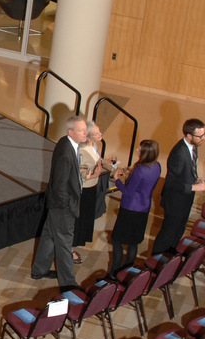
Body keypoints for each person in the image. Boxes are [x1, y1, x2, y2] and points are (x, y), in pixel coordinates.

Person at [31, 115, 86, 289]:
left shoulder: (66, 143)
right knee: (64, 244)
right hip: (63, 207)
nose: (86, 133)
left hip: (58, 205)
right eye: (82, 130)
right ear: (71, 132)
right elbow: (59, 186)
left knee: (49, 236)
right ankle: (68, 284)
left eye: (85, 129)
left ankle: (39, 270)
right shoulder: (65, 153)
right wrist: (66, 207)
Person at [151, 118, 205, 255]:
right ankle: (156, 259)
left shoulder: (193, 146)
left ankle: (171, 257)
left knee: (179, 230)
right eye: (200, 136)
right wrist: (194, 187)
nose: (203, 138)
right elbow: (171, 183)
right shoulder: (179, 153)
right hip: (175, 202)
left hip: (185, 199)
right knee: (168, 234)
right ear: (189, 135)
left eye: (204, 134)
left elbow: (188, 170)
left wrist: (196, 179)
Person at [109, 139, 162, 275]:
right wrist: (130, 176)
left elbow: (128, 192)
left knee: (117, 240)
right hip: (144, 207)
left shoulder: (140, 170)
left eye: (140, 149)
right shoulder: (157, 166)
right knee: (133, 242)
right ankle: (127, 271)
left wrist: (117, 180)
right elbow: (143, 185)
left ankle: (114, 273)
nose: (137, 150)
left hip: (130, 208)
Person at [74, 122, 115, 264]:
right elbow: (80, 174)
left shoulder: (94, 145)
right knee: (79, 219)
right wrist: (96, 174)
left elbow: (97, 158)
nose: (100, 134)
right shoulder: (82, 150)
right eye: (97, 133)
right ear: (89, 136)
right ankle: (70, 247)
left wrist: (106, 161)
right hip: (84, 189)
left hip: (92, 188)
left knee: (86, 217)